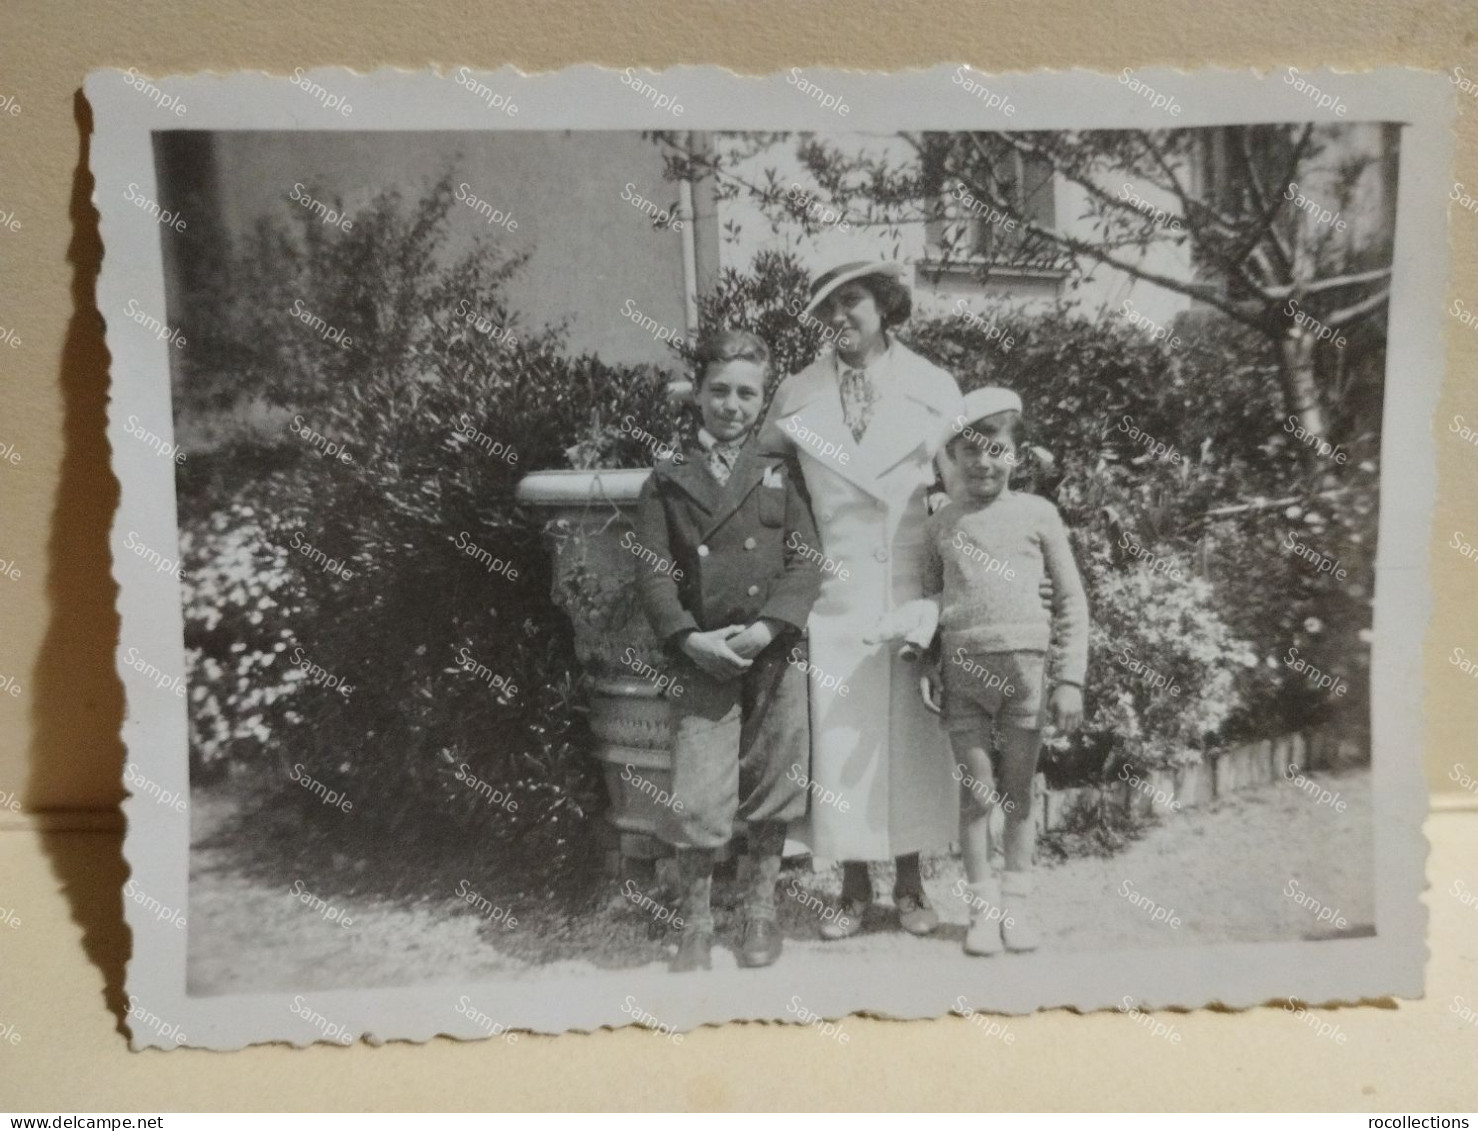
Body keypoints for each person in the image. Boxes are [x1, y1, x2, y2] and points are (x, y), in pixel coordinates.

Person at [757, 261, 965, 938]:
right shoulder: (797, 393)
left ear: (885, 305)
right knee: (842, 747)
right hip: (835, 595)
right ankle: (849, 890)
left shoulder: (933, 387)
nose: (838, 319)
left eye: (851, 302)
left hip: (905, 591)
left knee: (904, 744)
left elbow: (961, 490)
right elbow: (765, 472)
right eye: (826, 310)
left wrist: (946, 584)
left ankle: (909, 886)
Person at [632, 329, 823, 972]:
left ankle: (759, 913)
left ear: (763, 400)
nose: (732, 406)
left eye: (746, 393)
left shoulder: (782, 472)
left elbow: (806, 561)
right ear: (698, 394)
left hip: (771, 651)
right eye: (719, 390)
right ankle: (695, 921)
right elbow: (652, 571)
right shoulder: (667, 479)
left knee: (775, 778)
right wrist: (688, 637)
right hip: (702, 656)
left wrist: (770, 627)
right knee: (696, 793)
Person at [910, 387, 1088, 954]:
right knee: (976, 798)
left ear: (1017, 452)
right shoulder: (940, 525)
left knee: (1017, 796)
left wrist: (1070, 679)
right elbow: (929, 600)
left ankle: (1018, 910)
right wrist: (929, 660)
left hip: (1027, 676)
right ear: (954, 457)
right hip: (963, 676)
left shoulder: (1039, 515)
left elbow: (1071, 602)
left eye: (996, 448)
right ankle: (981, 913)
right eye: (970, 450)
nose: (984, 461)